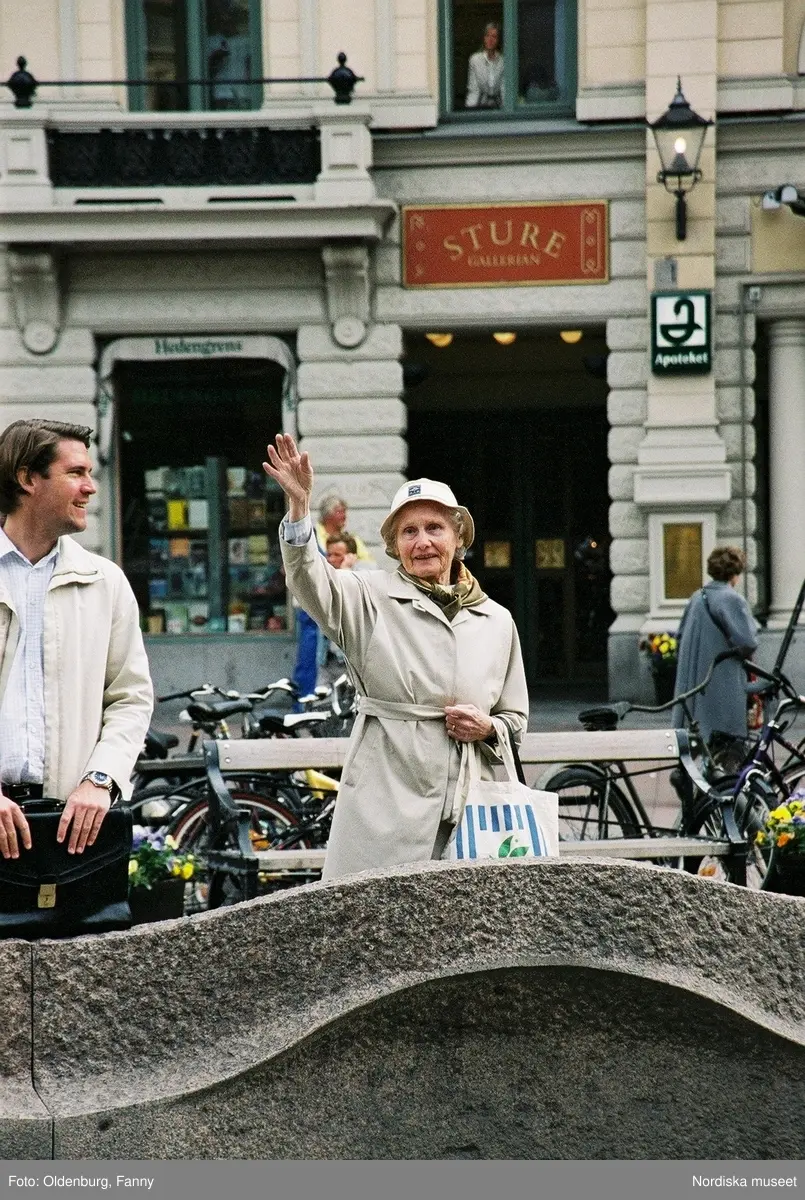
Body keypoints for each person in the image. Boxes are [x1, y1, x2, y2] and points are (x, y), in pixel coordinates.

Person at [263, 433, 529, 881]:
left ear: (458, 536)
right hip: (384, 806)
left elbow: (515, 717)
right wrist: (300, 509)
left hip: (474, 810)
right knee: (377, 935)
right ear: (395, 546)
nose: (422, 542)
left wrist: (489, 727)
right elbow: (310, 581)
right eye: (409, 532)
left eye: (434, 528)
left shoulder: (496, 619)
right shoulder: (368, 597)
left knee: (472, 935)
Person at [0, 420, 154, 861]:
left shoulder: (104, 582)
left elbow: (131, 697)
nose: (90, 488)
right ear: (27, 478)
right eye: (76, 473)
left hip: (70, 829)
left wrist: (101, 779)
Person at [672, 546, 758, 758]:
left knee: (699, 740)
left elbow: (680, 636)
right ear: (735, 573)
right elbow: (748, 642)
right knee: (726, 743)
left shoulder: (696, 597)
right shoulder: (732, 599)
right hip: (721, 680)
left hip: (694, 682)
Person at [316, 494, 373, 564]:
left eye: (344, 512)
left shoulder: (351, 539)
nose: (344, 516)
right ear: (327, 515)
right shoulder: (311, 536)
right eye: (339, 512)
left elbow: (369, 562)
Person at [466, 22, 504, 110]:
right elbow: (473, 90)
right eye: (487, 36)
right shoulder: (475, 60)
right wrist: (469, 112)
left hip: (499, 107)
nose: (490, 40)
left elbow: (504, 89)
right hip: (481, 106)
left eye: (494, 37)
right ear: (484, 38)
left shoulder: (503, 61)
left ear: (498, 40)